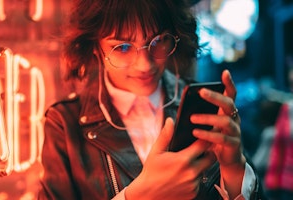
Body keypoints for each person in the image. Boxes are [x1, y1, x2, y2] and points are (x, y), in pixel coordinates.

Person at [38, 0, 261, 199]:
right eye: (122, 47)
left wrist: (234, 169)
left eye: (159, 40)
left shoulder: (202, 104)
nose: (145, 64)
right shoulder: (65, 125)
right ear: (95, 47)